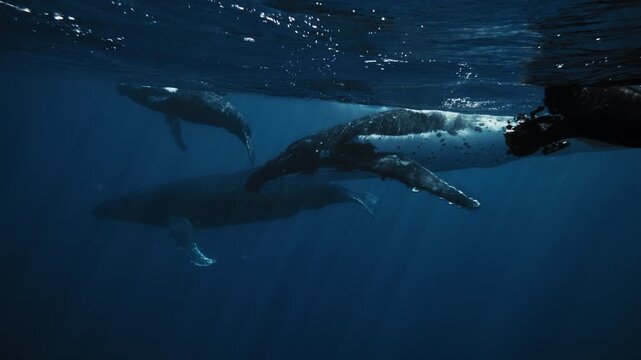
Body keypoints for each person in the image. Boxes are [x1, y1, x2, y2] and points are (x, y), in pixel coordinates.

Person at [505, 86, 641, 156]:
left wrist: (530, 128)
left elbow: (552, 131)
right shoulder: (577, 119)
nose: (545, 103)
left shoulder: (576, 121)